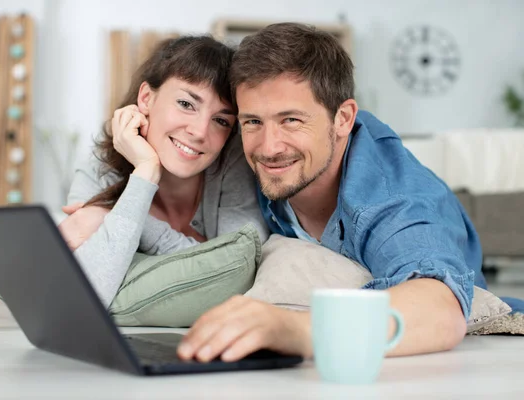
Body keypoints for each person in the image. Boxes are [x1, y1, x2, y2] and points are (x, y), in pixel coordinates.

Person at [176, 22, 491, 363]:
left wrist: (298, 330)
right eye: (253, 122)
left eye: (291, 120)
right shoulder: (250, 153)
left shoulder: (390, 196)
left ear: (343, 118)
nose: (268, 148)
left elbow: (441, 309)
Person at [58, 36, 269, 307]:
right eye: (186, 104)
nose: (199, 132)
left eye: (220, 120)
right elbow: (87, 295)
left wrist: (117, 216)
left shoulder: (234, 163)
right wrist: (145, 171)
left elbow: (236, 268)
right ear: (146, 98)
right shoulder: (101, 168)